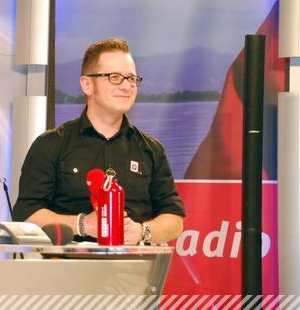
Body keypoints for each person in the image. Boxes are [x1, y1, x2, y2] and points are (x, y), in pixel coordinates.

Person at [13, 38, 185, 245]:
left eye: (132, 79)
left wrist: (142, 231)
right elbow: (26, 214)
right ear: (87, 85)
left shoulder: (151, 150)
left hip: (134, 263)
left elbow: (174, 219)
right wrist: (82, 224)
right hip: (68, 263)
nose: (126, 86)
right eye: (115, 77)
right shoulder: (51, 144)